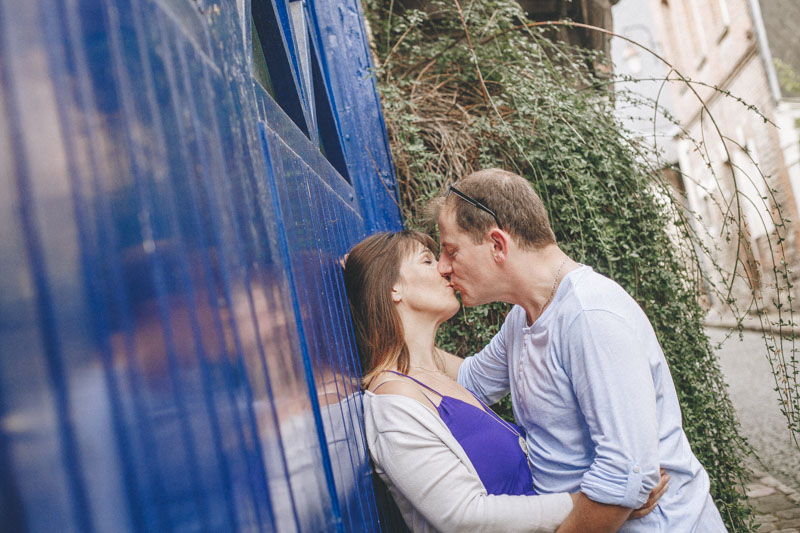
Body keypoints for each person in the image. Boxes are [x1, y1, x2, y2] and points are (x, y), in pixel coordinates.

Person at [430, 168, 726, 532]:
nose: (443, 267)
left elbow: (623, 477)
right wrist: (403, 322)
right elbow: (469, 381)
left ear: (497, 245)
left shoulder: (590, 315)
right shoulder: (523, 318)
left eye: (450, 250)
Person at [343, 230, 666, 533]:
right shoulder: (393, 402)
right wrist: (594, 506)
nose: (444, 269)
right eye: (427, 261)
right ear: (392, 287)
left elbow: (464, 372)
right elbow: (463, 516)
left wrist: (611, 494)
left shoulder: (435, 380)